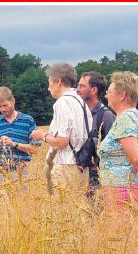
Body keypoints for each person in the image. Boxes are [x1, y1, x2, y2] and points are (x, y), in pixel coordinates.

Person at [98, 71, 138, 209]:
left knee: (120, 230)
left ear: (122, 95)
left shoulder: (125, 119)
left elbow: (135, 158)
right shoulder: (133, 115)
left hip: (121, 190)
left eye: (109, 92)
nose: (106, 95)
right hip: (123, 188)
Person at [31, 63, 92, 191]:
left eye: (49, 83)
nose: (48, 88)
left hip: (66, 166)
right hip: (83, 166)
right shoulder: (81, 101)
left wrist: (42, 135)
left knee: (62, 209)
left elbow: (62, 142)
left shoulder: (62, 103)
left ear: (58, 81)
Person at [0, 86, 39, 181]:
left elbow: (35, 149)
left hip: (22, 170)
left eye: (5, 105)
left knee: (22, 195)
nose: (2, 109)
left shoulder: (28, 121)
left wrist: (13, 144)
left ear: (13, 101)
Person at [76, 71, 116, 199]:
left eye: (82, 86)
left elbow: (114, 150)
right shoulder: (78, 114)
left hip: (97, 177)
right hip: (80, 174)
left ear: (93, 90)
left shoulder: (106, 116)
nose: (77, 89)